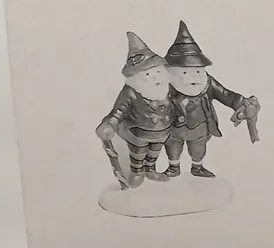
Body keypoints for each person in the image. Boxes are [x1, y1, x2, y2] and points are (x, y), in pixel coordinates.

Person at [163, 21, 256, 180]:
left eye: (197, 71)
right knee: (172, 146)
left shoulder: (207, 83)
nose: (193, 78)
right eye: (185, 72)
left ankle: (197, 167)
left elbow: (225, 94)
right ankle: (173, 166)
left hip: (200, 126)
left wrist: (241, 102)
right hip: (173, 127)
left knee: (198, 147)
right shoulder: (165, 87)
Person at [95, 33, 173, 189]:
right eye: (148, 74)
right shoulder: (130, 92)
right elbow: (119, 111)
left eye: (158, 72)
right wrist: (110, 124)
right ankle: (137, 172)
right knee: (138, 154)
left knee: (154, 152)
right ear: (136, 78)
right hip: (138, 132)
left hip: (163, 132)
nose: (155, 78)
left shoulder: (167, 88)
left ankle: (150, 170)